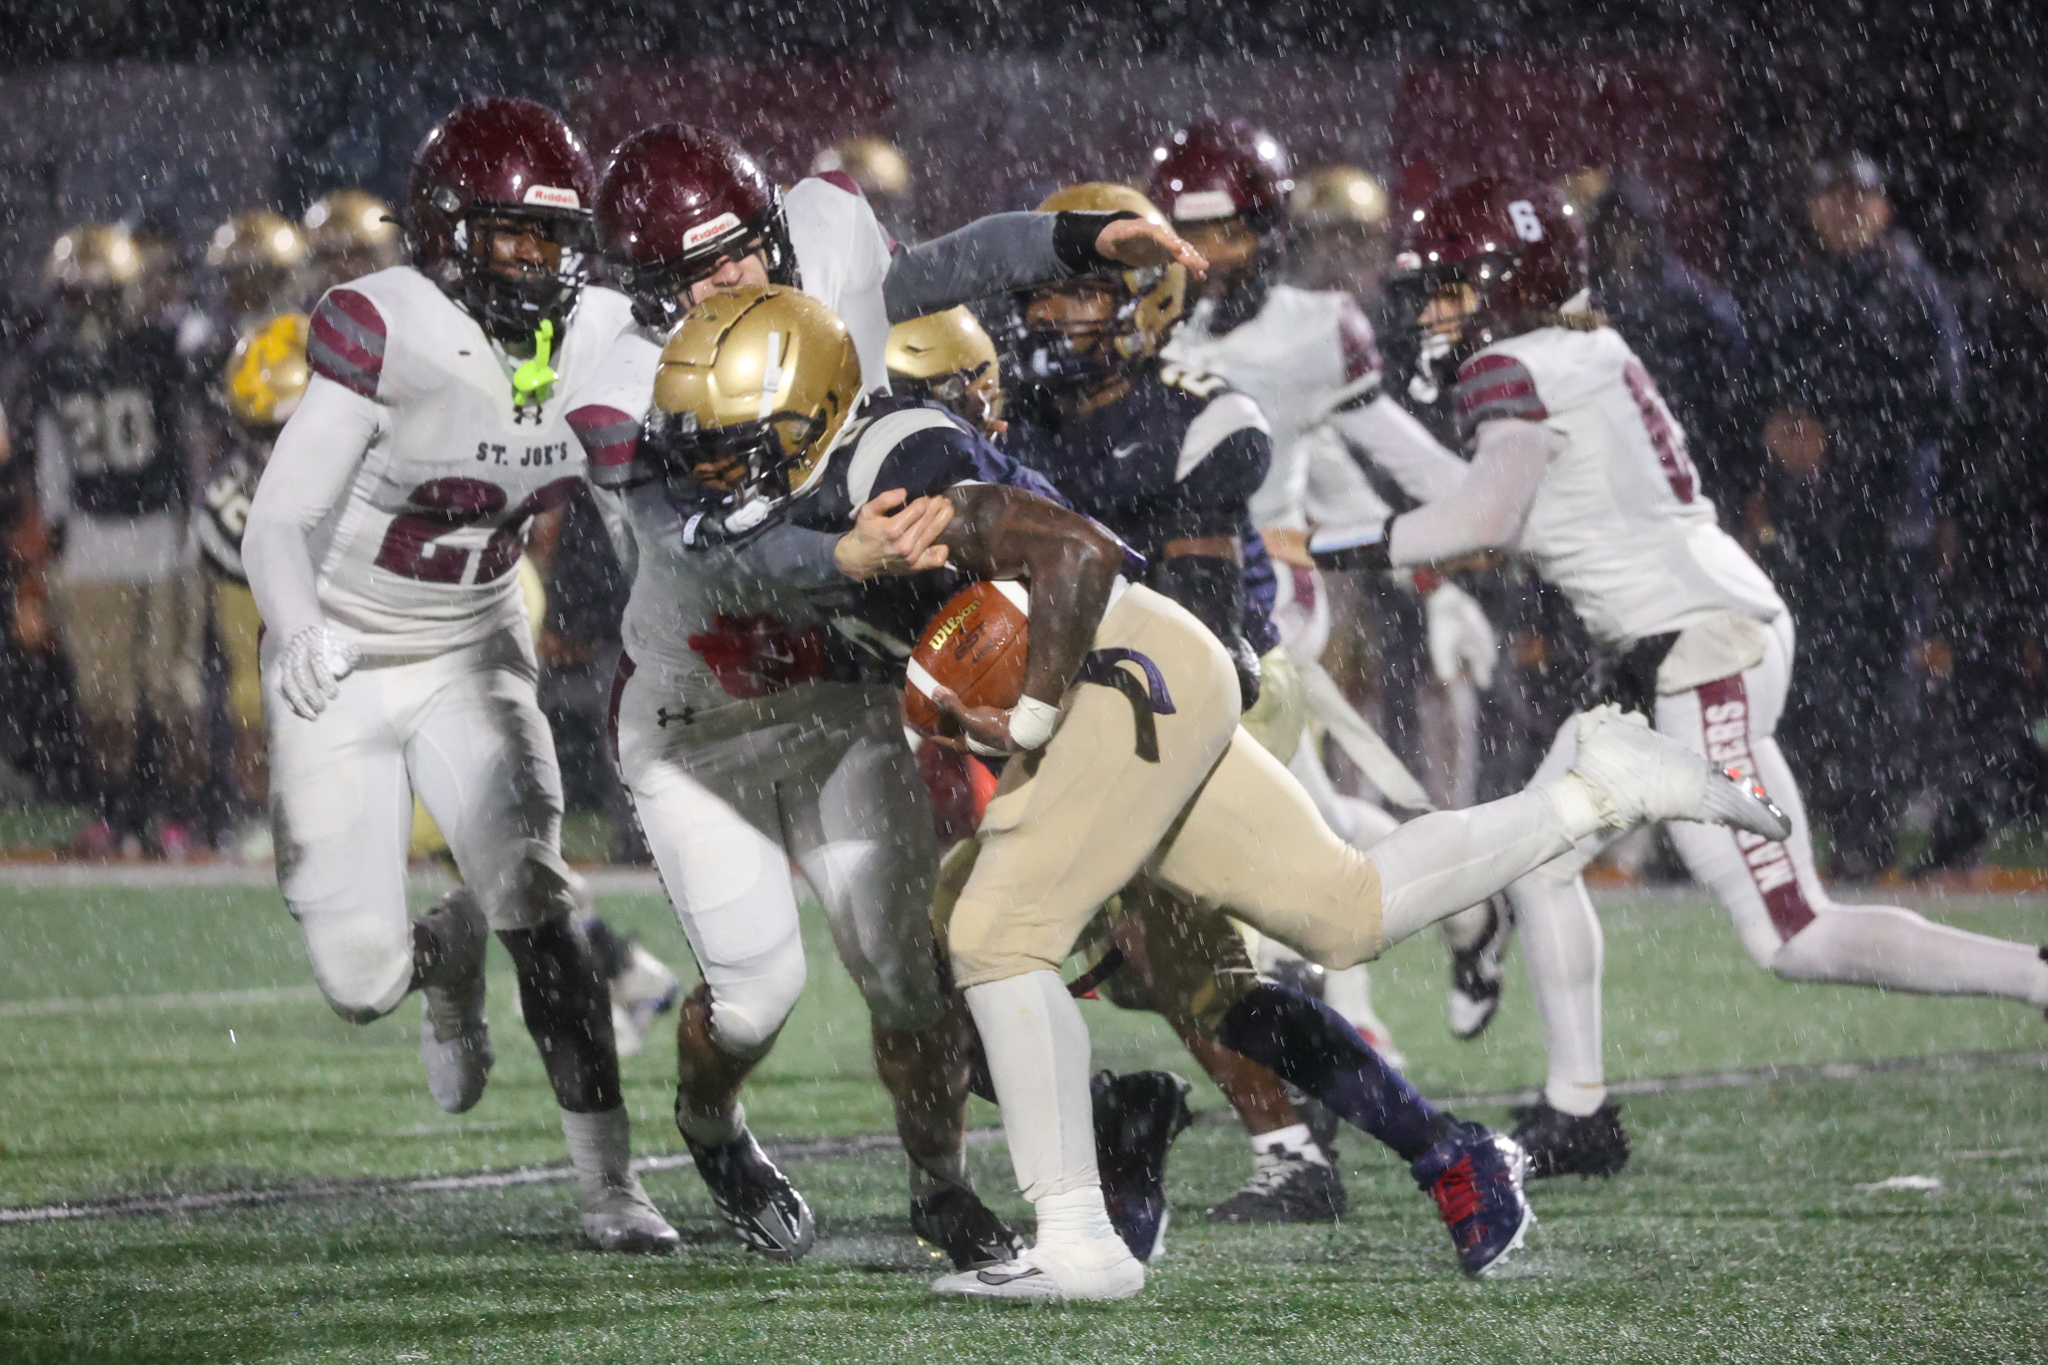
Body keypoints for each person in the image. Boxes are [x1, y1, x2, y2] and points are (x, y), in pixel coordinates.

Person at [648, 282, 1795, 1300]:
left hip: (1117, 674)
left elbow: (1076, 553)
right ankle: (1602, 788)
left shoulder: (895, 455)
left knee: (992, 935)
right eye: (700, 449)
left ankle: (1081, 1239)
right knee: (1339, 909)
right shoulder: (805, 504)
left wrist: (1029, 713)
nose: (712, 472)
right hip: (1142, 677)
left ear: (812, 413)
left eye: (732, 446)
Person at [568, 122, 1208, 1268]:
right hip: (694, 719)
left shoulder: (821, 242)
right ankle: (710, 1127)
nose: (728, 282)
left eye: (738, 250)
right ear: (645, 291)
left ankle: (938, 1189)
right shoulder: (622, 376)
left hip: (840, 699)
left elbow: (940, 268)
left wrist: (1073, 241)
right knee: (755, 995)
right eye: (692, 273)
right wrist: (839, 559)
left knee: (910, 982)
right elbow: (697, 551)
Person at [1322, 175, 2048, 1179]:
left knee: (1793, 933)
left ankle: (2036, 977)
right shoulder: (1580, 349)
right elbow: (1485, 498)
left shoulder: (1511, 365)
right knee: (1541, 860)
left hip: (1696, 649)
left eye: (1453, 286)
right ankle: (1577, 1110)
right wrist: (1364, 423)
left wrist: (1332, 541)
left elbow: (1482, 520)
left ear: (1507, 280)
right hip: (1678, 644)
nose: (1437, 311)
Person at [240, 96, 676, 1254]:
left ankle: (610, 1186)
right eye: (512, 233)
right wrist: (298, 630)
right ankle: (443, 951)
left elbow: (639, 513)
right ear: (446, 231)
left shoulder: (606, 333)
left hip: (472, 645)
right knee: (359, 981)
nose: (539, 260)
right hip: (340, 652)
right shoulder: (388, 326)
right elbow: (276, 522)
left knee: (536, 895)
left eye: (555, 237)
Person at [1148, 123, 1509, 1050]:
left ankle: (1340, 1015)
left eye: (1227, 232)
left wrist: (1502, 509)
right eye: (1191, 234)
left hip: (1266, 591)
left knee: (1244, 819)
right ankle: (1466, 905)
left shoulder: (1314, 331)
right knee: (1303, 816)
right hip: (1168, 595)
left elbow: (1389, 457)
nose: (1207, 257)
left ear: (1270, 232)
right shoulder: (1146, 323)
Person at [1748, 152, 1966, 877]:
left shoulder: (1913, 289)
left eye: (1857, 198)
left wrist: (1840, 439)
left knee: (1880, 684)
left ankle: (1865, 832)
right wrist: (1775, 429)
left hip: (1888, 523)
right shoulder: (1796, 289)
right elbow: (1756, 380)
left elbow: (1942, 401)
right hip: (1812, 522)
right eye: (1831, 198)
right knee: (1812, 678)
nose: (1844, 211)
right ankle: (1822, 826)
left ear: (1882, 207)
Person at [19, 222, 209, 860]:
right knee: (104, 697)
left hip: (159, 531)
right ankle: (117, 813)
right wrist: (56, 525)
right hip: (93, 536)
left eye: (100, 292)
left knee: (173, 689)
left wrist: (190, 519)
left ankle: (182, 817)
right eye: (77, 294)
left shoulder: (159, 347)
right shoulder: (52, 360)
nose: (89, 306)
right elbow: (51, 450)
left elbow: (187, 436)